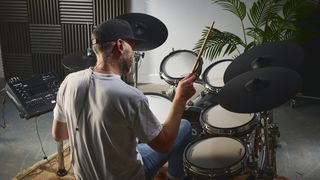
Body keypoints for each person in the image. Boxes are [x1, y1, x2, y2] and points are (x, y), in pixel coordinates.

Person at [51, 17, 197, 180]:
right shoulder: (130, 96)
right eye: (132, 48)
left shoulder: (69, 81)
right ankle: (175, 176)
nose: (133, 55)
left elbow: (59, 134)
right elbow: (164, 145)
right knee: (184, 126)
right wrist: (180, 99)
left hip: (84, 176)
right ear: (120, 45)